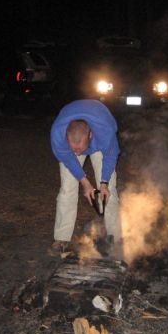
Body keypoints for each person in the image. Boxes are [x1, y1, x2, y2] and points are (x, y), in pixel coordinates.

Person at [50, 99, 121, 254]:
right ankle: (62, 238)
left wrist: (103, 183)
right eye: (73, 148)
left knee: (109, 190)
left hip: (99, 145)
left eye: (80, 149)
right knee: (67, 189)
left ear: (90, 135)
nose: (78, 153)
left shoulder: (105, 131)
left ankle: (115, 238)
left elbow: (110, 155)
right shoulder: (58, 136)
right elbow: (69, 158)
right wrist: (85, 182)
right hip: (76, 140)